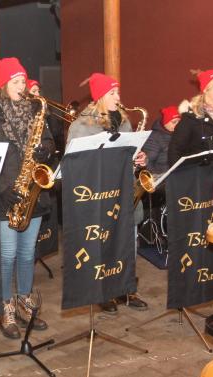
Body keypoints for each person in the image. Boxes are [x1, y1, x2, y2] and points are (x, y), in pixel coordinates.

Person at [0, 57, 53, 339]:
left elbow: (50, 141)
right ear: (4, 85)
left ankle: (24, 302)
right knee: (7, 255)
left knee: (28, 254)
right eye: (17, 82)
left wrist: (45, 151)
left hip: (33, 193)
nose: (23, 87)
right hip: (5, 195)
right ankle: (5, 306)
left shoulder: (34, 110)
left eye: (24, 81)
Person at [66, 73, 149, 313]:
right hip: (99, 194)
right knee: (105, 242)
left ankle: (127, 287)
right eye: (113, 93)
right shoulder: (81, 126)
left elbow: (129, 156)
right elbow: (75, 165)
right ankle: (105, 290)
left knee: (129, 242)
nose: (118, 97)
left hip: (124, 190)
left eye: (118, 92)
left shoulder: (123, 121)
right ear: (100, 97)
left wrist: (138, 159)